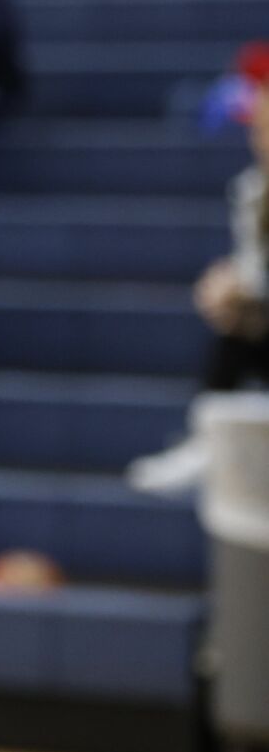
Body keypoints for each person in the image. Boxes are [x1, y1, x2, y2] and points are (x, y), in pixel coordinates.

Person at [129, 44, 269, 494]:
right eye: (257, 126)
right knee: (234, 316)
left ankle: (213, 438)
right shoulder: (251, 191)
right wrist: (233, 286)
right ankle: (209, 439)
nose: (258, 136)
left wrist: (247, 289)